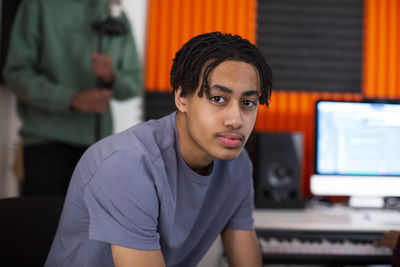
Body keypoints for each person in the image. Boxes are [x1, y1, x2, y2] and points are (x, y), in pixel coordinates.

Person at [44, 31, 272, 267]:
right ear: (182, 97)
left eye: (248, 103)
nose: (236, 120)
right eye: (218, 98)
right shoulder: (127, 165)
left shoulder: (238, 165)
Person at [2, 0, 142, 198]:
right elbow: (16, 74)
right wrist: (72, 99)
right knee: (41, 226)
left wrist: (112, 77)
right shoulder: (36, 5)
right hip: (45, 144)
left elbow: (133, 84)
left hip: (97, 149)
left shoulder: (114, 13)